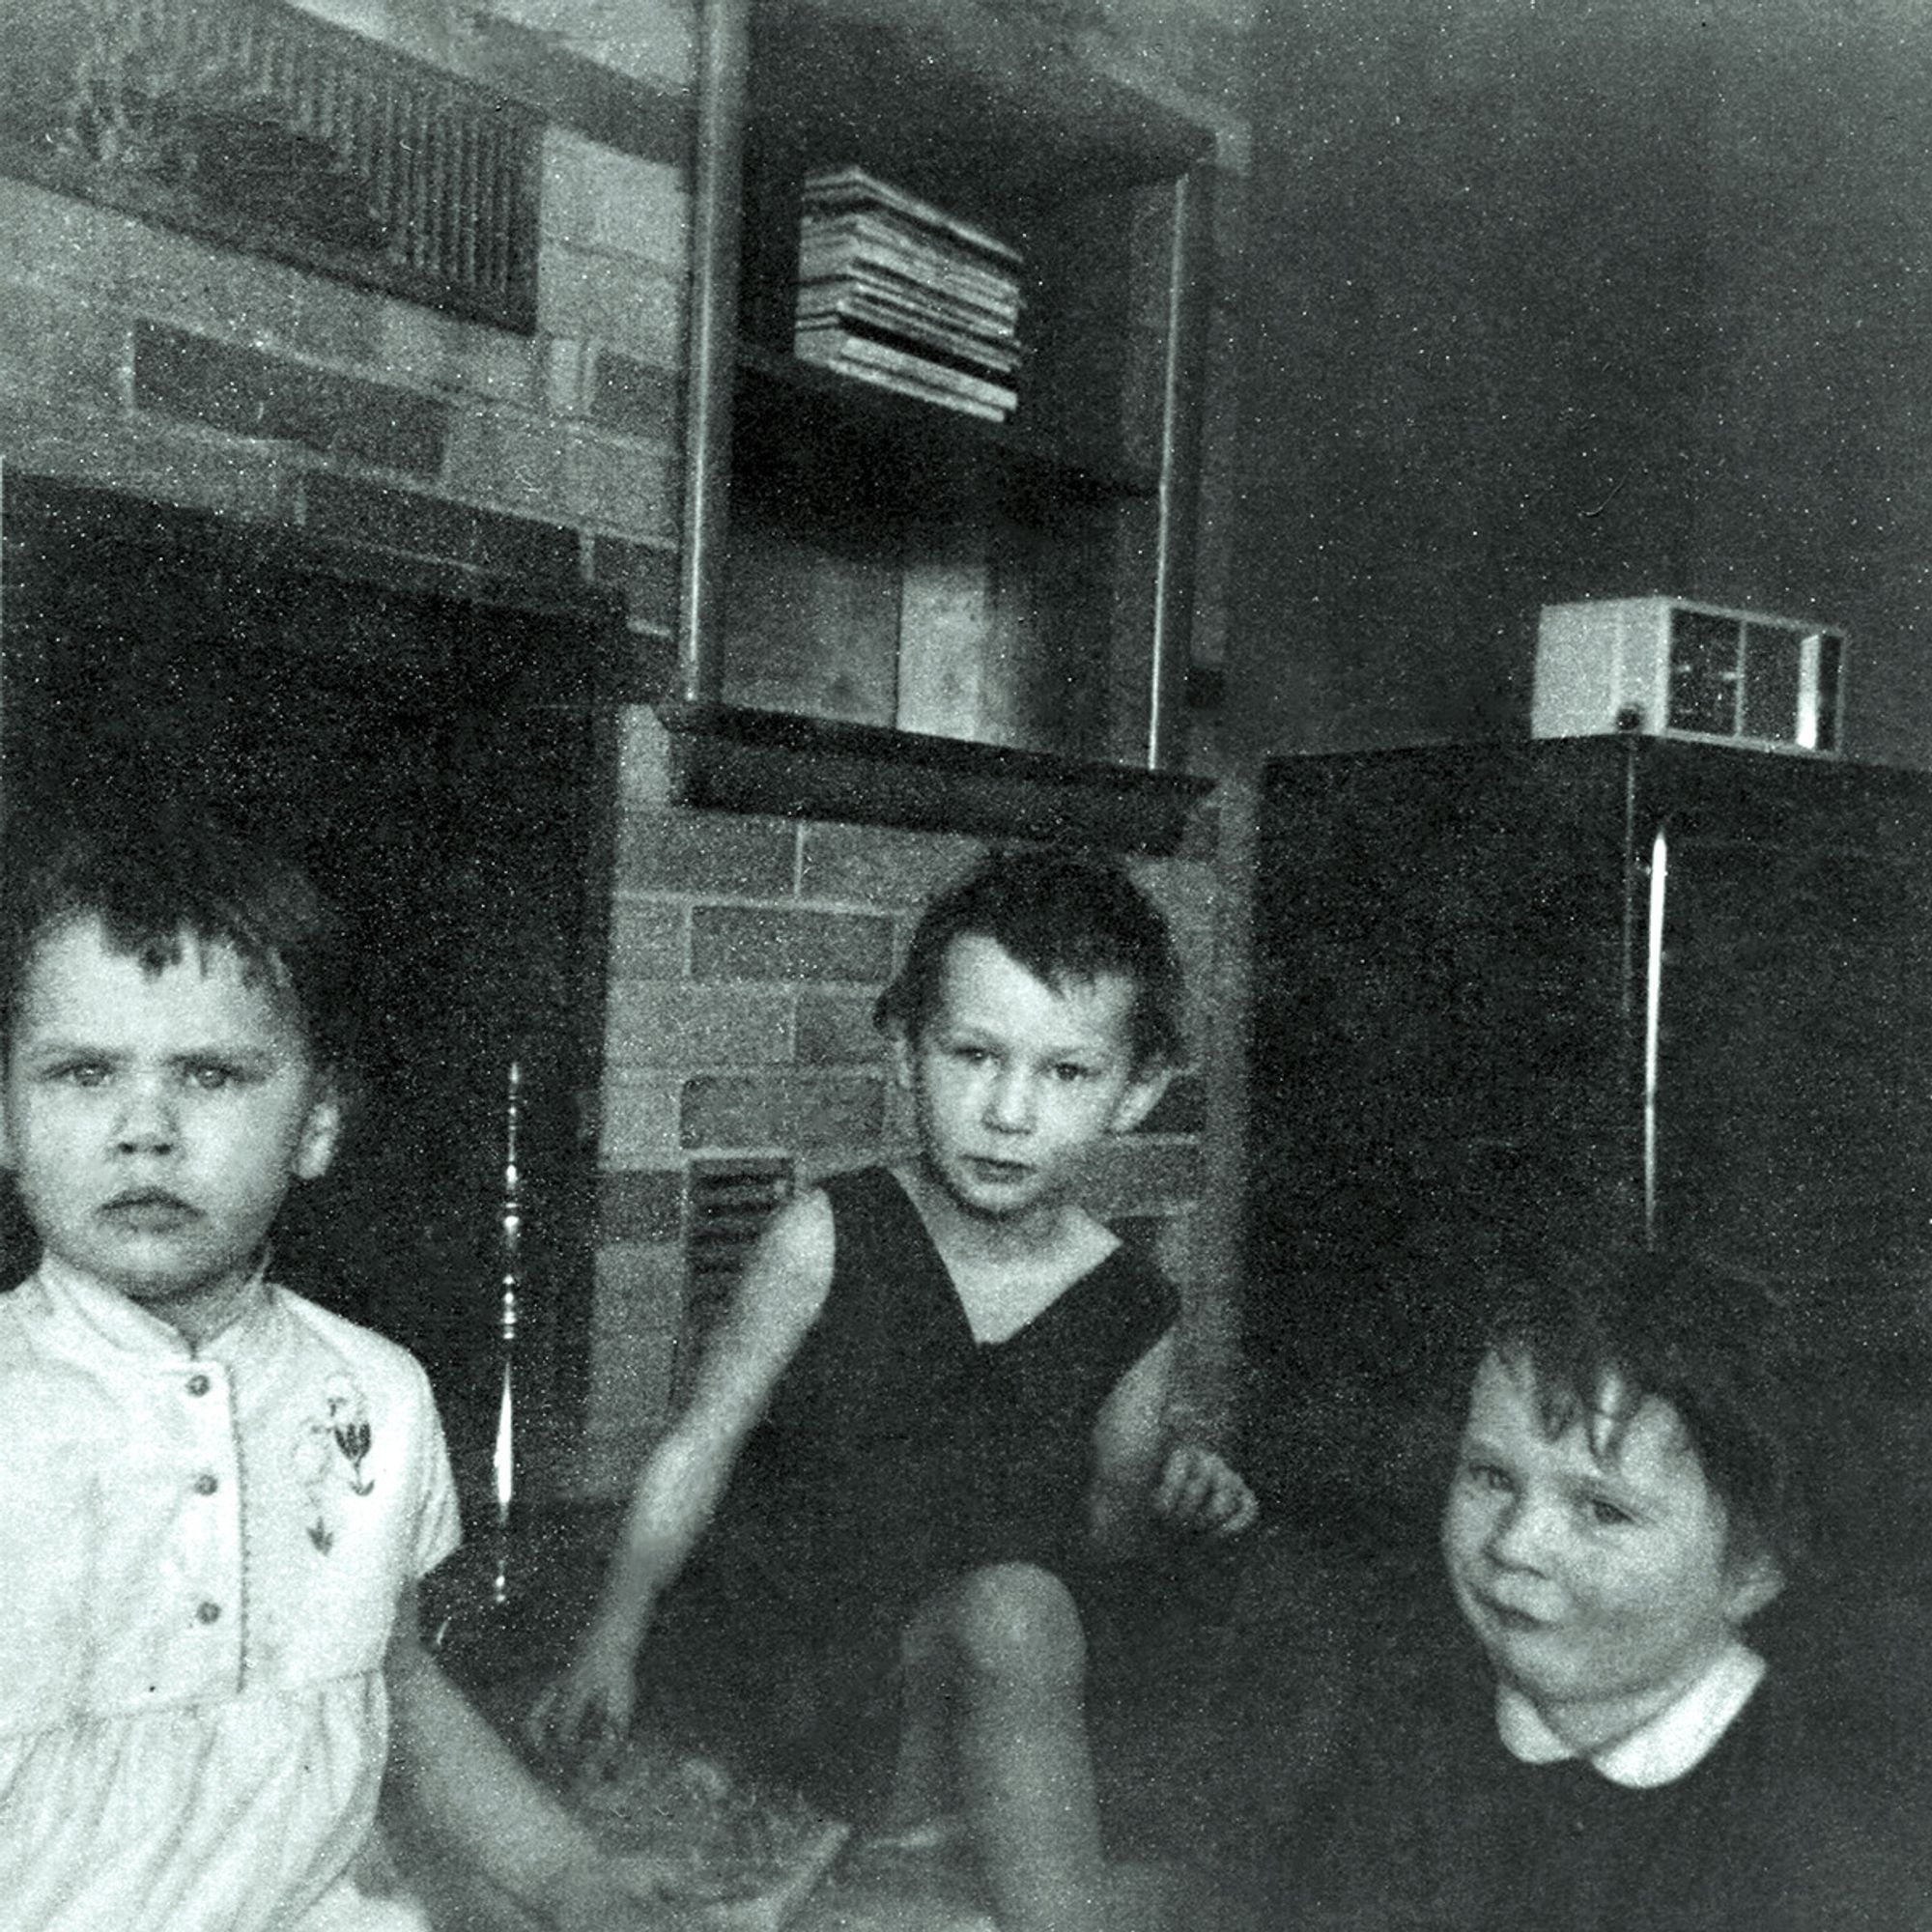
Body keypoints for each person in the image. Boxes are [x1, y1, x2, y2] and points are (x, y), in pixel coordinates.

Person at [529, 847, 1260, 1932]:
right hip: (790, 1686)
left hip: (956, 1687)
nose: (1008, 1110)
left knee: (1026, 1609)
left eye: (1065, 1073)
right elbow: (699, 1444)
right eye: (972, 1053)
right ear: (906, 1050)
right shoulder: (824, 1238)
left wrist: (1171, 1484)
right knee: (1016, 1613)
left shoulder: (1131, 1306)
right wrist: (612, 1636)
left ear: (1136, 1090)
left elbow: (1103, 1547)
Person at [0, 810, 676, 1932]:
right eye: (81, 1071)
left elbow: (392, 1686)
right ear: (7, 1118)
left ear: (315, 1124)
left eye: (211, 1074)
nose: (144, 1127)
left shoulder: (376, 1391)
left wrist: (574, 1881)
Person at [1215, 1243, 1932, 1931]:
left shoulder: (1820, 1834)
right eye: (1492, 1478)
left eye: (1601, 1510)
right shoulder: (1384, 1741)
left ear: (1751, 1572)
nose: (1514, 1544)